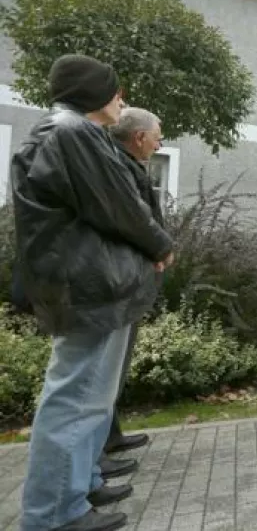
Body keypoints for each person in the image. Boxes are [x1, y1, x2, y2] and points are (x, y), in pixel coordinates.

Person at [13, 54, 173, 531]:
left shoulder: (64, 131)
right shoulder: (72, 133)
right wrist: (160, 244)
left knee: (89, 399)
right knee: (76, 399)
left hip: (87, 285)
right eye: (114, 90)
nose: (121, 100)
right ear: (92, 94)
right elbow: (117, 206)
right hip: (85, 287)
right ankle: (53, 515)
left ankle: (78, 487)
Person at [101, 107, 166, 463]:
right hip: (119, 280)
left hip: (132, 277)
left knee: (114, 368)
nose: (159, 143)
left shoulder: (127, 164)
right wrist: (159, 247)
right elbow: (133, 219)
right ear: (139, 137)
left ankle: (109, 437)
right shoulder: (119, 168)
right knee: (103, 372)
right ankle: (98, 452)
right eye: (157, 135)